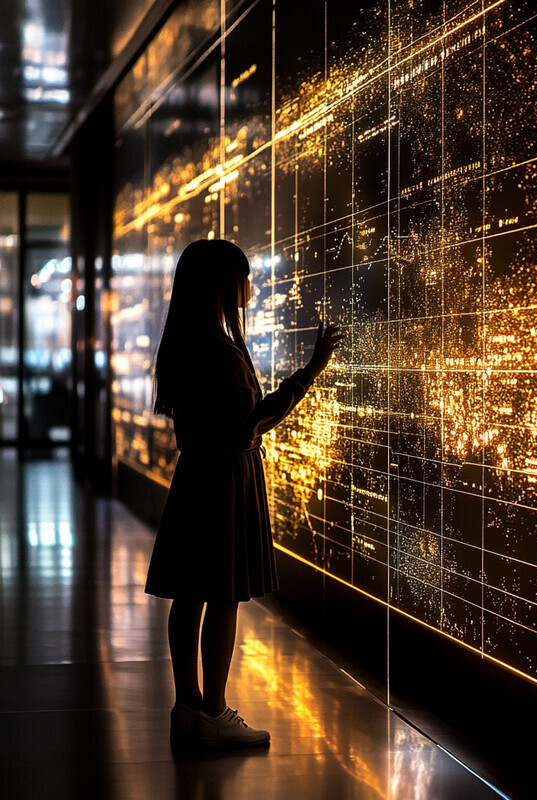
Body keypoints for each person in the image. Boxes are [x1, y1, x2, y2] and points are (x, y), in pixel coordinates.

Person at [144, 238, 342, 748]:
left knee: (189, 596)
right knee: (223, 597)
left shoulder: (186, 344)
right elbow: (252, 424)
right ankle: (215, 712)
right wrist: (311, 370)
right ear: (222, 283)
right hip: (226, 485)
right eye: (243, 275)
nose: (250, 286)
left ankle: (187, 707)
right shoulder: (221, 351)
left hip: (195, 481)